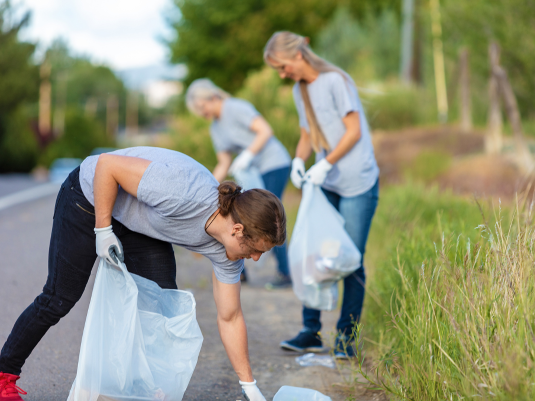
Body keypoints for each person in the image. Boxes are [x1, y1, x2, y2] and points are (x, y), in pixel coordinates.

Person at [0, 147, 284, 401]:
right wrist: (103, 230)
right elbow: (107, 165)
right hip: (90, 196)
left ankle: (141, 385)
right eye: (256, 250)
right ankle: (5, 375)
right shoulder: (182, 191)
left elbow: (230, 316)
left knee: (161, 303)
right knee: (59, 297)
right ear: (237, 230)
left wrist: (250, 386)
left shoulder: (229, 254)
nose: (256, 259)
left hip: (139, 222)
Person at [263, 31, 380, 358]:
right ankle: (310, 331)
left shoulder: (335, 81)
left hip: (358, 181)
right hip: (326, 183)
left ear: (298, 56)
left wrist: (326, 162)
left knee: (351, 260)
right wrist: (300, 160)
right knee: (314, 253)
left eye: (282, 66)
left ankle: (346, 338)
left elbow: (353, 132)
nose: (282, 74)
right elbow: (307, 133)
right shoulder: (301, 91)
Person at [186, 79, 292, 289]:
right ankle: (239, 272)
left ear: (212, 97)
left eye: (201, 106)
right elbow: (224, 162)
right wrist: (209, 187)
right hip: (250, 171)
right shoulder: (216, 128)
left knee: (269, 218)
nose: (201, 112)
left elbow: (265, 131)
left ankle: (284, 273)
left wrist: (248, 155)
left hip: (273, 163)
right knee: (237, 215)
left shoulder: (235, 108)